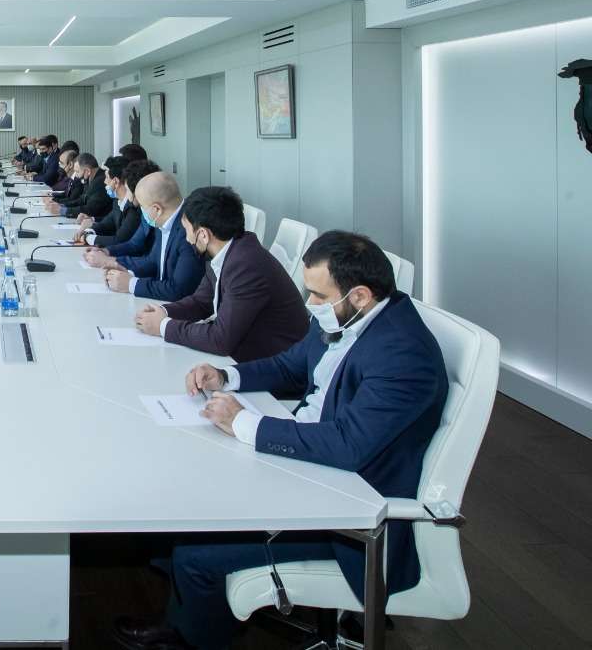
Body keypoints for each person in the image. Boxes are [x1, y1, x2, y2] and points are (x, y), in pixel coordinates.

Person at [113, 231, 448, 650]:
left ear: (360, 295)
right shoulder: (350, 315)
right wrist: (227, 376)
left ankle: (187, 636)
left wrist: (244, 424)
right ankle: (191, 609)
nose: (310, 304)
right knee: (182, 486)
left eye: (318, 296)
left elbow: (348, 446)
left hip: (346, 510)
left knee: (196, 553)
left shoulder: (403, 354)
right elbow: (290, 366)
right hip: (308, 458)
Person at [132, 187, 308, 360]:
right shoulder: (227, 250)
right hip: (246, 349)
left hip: (273, 364)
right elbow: (202, 302)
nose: (187, 239)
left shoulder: (246, 266)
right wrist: (163, 311)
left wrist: (163, 326)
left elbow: (220, 340)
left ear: (203, 235)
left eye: (187, 230)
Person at [103, 172, 204, 301]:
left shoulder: (188, 230)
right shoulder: (164, 220)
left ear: (157, 209)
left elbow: (178, 290)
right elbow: (153, 261)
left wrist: (131, 284)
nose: (141, 211)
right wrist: (127, 271)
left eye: (142, 207)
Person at [84, 160, 162, 265]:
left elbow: (151, 262)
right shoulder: (144, 213)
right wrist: (105, 251)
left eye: (128, 189)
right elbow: (134, 244)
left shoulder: (137, 210)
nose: (129, 197)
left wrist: (111, 262)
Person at [75, 156, 135, 247]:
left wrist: (88, 238)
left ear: (116, 181)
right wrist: (88, 231)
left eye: (106, 177)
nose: (104, 182)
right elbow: (106, 224)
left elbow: (120, 240)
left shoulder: (133, 208)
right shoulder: (117, 202)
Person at [57, 152, 114, 219]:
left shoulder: (101, 182)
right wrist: (62, 205)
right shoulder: (90, 178)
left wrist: (64, 211)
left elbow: (90, 209)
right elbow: (82, 199)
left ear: (88, 171)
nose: (76, 176)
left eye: (77, 172)